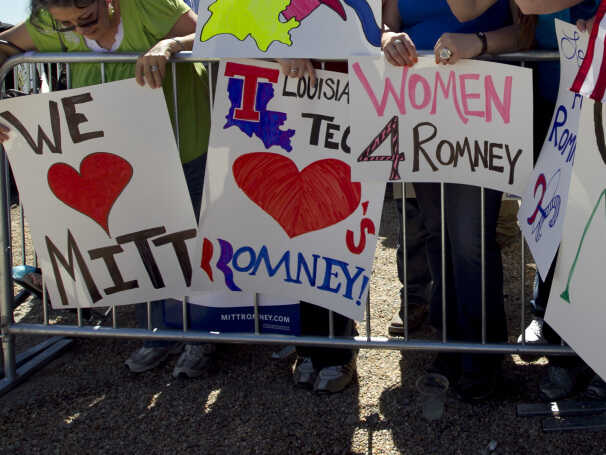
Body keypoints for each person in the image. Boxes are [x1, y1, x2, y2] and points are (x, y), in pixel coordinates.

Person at [0, 0, 214, 378]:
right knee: (138, 241)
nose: (78, 30)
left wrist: (170, 45)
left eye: (86, 18)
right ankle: (158, 335)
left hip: (185, 141)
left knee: (191, 240)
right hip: (119, 153)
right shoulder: (50, 19)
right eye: (66, 25)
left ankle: (203, 337)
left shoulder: (149, 6)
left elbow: (210, 35)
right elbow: (6, 47)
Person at [382, 0, 534, 401]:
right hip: (417, 108)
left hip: (480, 108)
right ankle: (450, 344)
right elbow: (384, 25)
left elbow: (525, 31)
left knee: (469, 239)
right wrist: (388, 40)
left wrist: (478, 43)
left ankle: (483, 355)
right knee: (438, 233)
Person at [275, 58, 358, 394]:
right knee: (295, 229)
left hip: (344, 97)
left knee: (332, 226)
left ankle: (338, 347)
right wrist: (279, 49)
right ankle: (309, 344)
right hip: (287, 97)